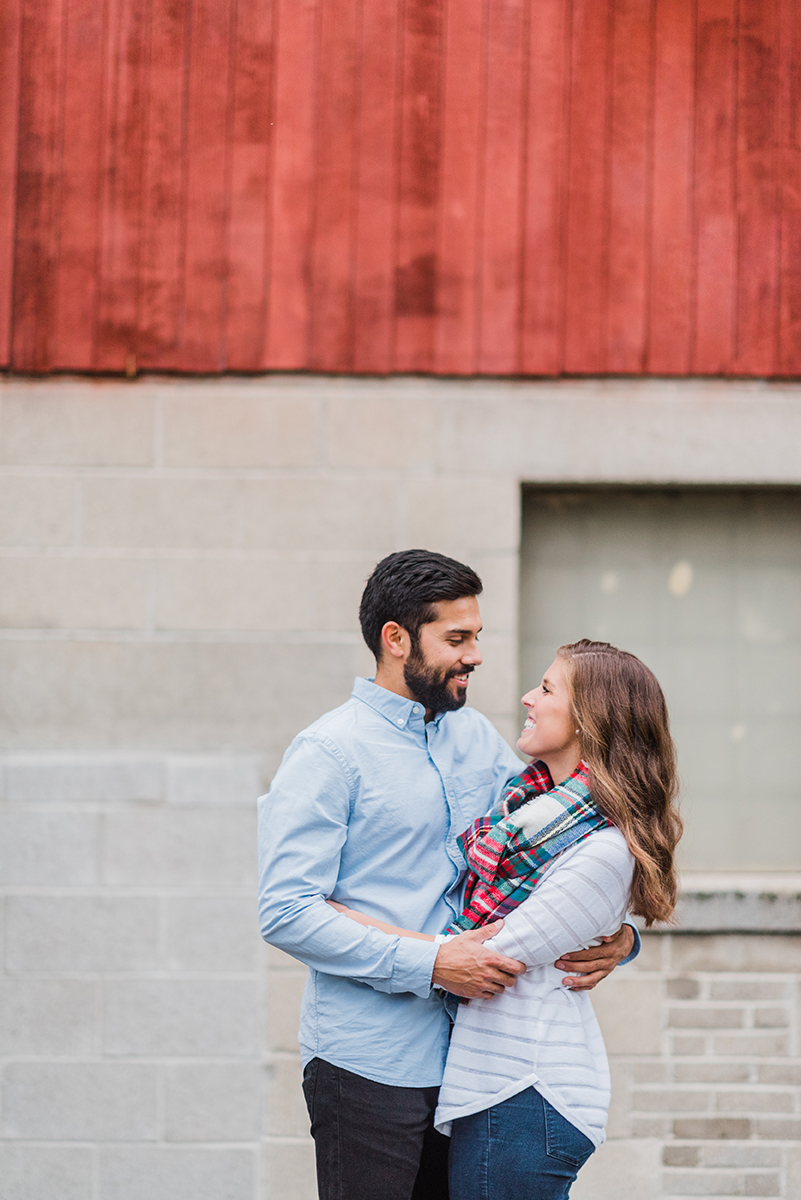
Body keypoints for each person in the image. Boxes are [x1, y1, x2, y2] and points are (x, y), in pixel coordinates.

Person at [257, 551, 639, 1200]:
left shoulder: (478, 741)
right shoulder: (328, 752)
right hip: (366, 1063)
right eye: (456, 639)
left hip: (470, 1066)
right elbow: (287, 911)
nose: (475, 655)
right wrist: (432, 962)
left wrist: (620, 940)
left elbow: (550, 863)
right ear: (396, 639)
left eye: (476, 637)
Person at [330, 639, 683, 1199]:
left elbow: (488, 956)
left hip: (526, 1091)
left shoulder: (602, 847)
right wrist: (623, 938)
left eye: (546, 689)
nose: (527, 698)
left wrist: (354, 923)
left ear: (591, 715)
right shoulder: (525, 802)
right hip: (496, 1088)